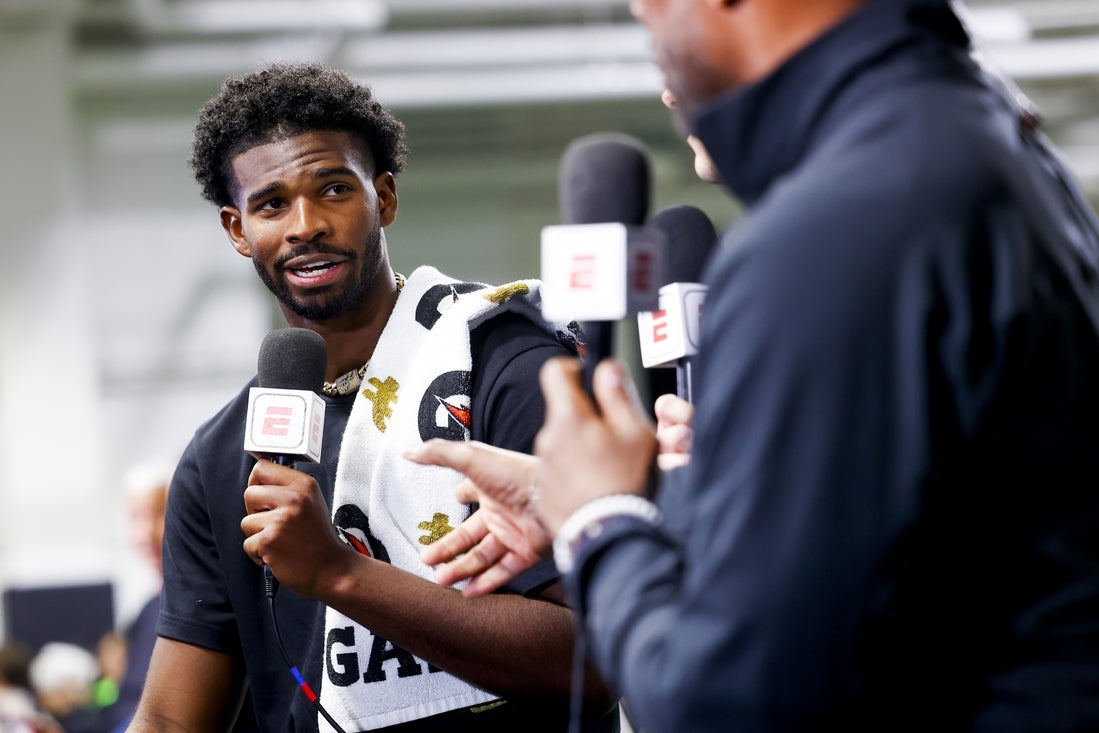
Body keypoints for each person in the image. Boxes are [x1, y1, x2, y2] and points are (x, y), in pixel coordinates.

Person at [408, 0, 1099, 730]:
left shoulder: (835, 227)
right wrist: (650, 496)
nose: (660, 65)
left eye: (655, 12)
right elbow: (929, 526)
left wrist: (598, 522)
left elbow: (721, 700)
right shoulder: (973, 143)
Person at [126, 63, 616, 732]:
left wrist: (339, 573)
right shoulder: (221, 452)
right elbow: (168, 717)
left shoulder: (506, 365)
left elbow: (598, 661)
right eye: (271, 205)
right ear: (237, 230)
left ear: (382, 198)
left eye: (333, 189)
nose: (305, 225)